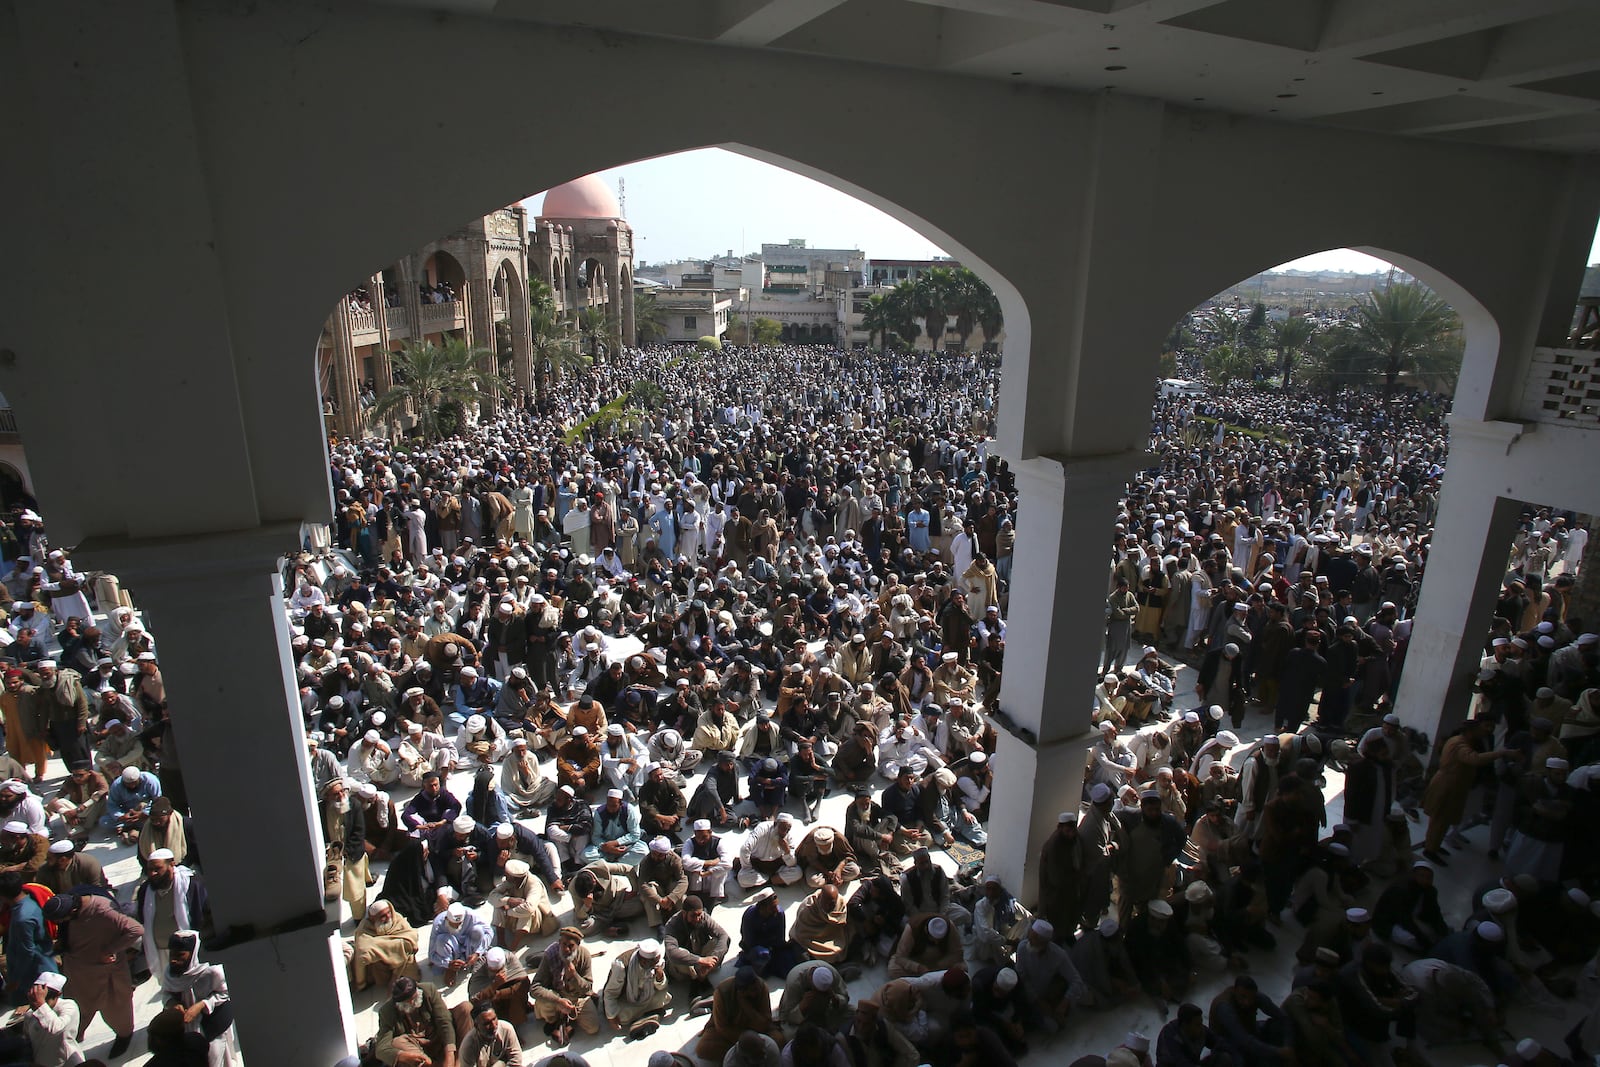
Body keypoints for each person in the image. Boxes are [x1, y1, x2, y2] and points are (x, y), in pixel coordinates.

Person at [41, 889, 141, 1057]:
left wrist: (110, 950)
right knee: (75, 1014)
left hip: (106, 976)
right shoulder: (72, 910)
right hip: (78, 975)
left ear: (72, 911)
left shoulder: (102, 910)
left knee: (117, 1010)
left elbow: (135, 930)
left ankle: (124, 1037)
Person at [160, 930, 241, 1067]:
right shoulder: (170, 973)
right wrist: (172, 1003)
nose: (174, 960)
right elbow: (166, 993)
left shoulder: (212, 971)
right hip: (186, 1028)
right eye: (172, 955)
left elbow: (225, 993)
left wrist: (201, 1005)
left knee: (214, 1059)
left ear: (192, 954)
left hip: (211, 1027)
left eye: (180, 955)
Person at [695, 966, 785, 1062]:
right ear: (741, 991)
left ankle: (749, 1052)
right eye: (752, 990)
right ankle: (744, 1054)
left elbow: (765, 1023)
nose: (755, 993)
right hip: (731, 1034)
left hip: (756, 1031)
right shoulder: (722, 992)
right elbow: (722, 1027)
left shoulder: (761, 987)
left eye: (756, 987)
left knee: (778, 1039)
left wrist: (747, 1008)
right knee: (702, 1049)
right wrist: (744, 1043)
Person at [529, 926, 600, 1046]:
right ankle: (557, 1020)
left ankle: (566, 1020)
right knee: (543, 1003)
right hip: (557, 996)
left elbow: (587, 988)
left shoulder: (584, 956)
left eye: (571, 946)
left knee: (593, 1028)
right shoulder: (550, 955)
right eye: (564, 944)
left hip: (577, 998)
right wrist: (558, 1001)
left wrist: (574, 976)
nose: (566, 949)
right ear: (559, 943)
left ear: (578, 946)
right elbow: (535, 988)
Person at [0, 870, 57, 1004]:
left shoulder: (22, 919)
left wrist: (15, 980)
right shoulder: (30, 899)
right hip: (42, 965)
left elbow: (26, 952)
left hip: (35, 976)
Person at [374, 976, 457, 1067]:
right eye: (408, 1002)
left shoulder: (428, 990)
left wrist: (450, 1054)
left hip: (438, 1038)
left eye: (414, 998)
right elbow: (381, 1048)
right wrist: (402, 1055)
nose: (412, 1003)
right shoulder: (387, 1011)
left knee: (465, 1009)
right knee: (397, 1042)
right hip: (417, 1049)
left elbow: (444, 1021)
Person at [6, 971, 82, 1067]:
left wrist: (41, 1005)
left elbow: (57, 1029)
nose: (37, 1001)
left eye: (46, 998)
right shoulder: (30, 1014)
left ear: (58, 994)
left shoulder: (69, 1006)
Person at [601, 937, 671, 1039]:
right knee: (622, 1017)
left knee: (665, 997)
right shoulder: (620, 966)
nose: (655, 966)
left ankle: (641, 1020)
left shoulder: (657, 962)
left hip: (646, 994)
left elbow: (661, 987)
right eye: (653, 964)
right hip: (626, 997)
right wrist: (611, 1018)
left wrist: (659, 977)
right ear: (643, 961)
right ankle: (652, 1014)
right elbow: (610, 993)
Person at [662, 894, 730, 994]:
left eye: (699, 915)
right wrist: (700, 960)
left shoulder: (703, 917)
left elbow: (723, 936)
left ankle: (701, 976)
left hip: (701, 959)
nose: (698, 918)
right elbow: (672, 954)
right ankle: (697, 979)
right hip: (683, 967)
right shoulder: (672, 925)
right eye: (693, 915)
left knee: (719, 942)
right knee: (680, 953)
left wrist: (713, 959)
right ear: (684, 913)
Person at [348, 898, 421, 993]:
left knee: (407, 954)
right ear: (373, 919)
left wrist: (381, 946)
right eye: (382, 916)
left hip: (402, 961)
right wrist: (394, 946)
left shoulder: (397, 918)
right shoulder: (364, 929)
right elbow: (363, 951)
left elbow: (411, 938)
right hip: (380, 965)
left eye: (388, 913)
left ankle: (395, 978)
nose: (388, 917)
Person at [790, 873, 852, 963]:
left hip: (834, 935)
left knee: (847, 944)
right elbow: (802, 933)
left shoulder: (841, 903)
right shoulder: (807, 908)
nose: (828, 906)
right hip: (812, 939)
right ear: (820, 898)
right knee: (804, 957)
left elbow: (843, 923)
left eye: (832, 904)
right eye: (826, 902)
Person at [428, 901, 493, 985]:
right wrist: (447, 964)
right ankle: (451, 970)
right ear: (446, 919)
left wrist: (477, 953)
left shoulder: (471, 915)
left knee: (478, 930)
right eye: (453, 925)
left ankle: (471, 961)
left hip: (468, 946)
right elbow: (431, 954)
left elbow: (489, 932)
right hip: (450, 948)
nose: (456, 927)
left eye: (458, 925)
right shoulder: (438, 923)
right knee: (441, 939)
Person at [457, 1002, 522, 1067]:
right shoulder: (468, 1046)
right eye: (487, 1023)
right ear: (477, 1026)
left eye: (494, 1019)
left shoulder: (507, 1029)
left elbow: (516, 1061)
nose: (493, 1025)